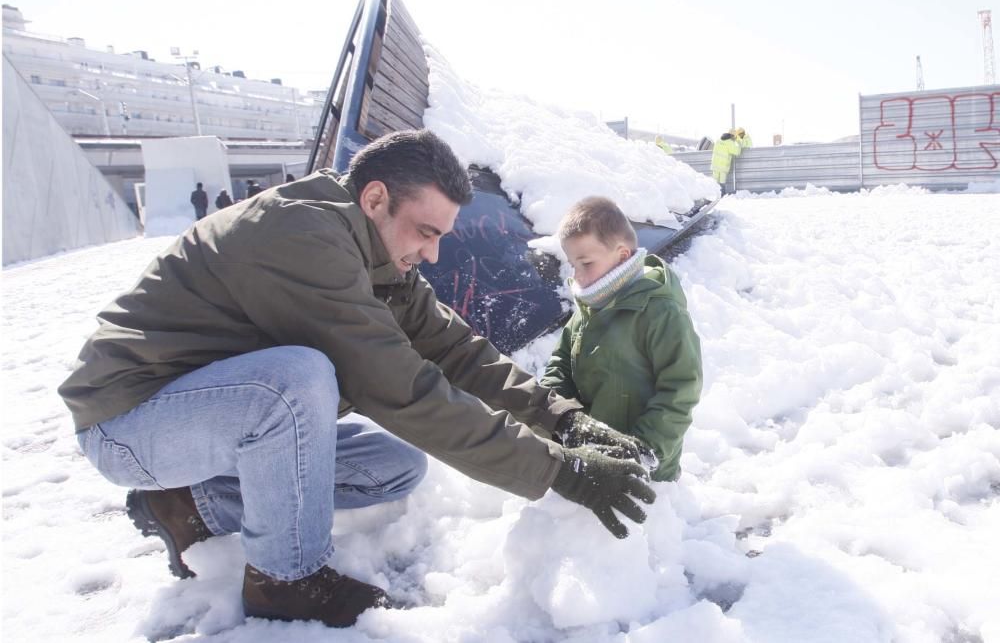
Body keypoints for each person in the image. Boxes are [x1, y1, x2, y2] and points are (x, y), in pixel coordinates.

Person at [59, 130, 656, 629]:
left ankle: (192, 503)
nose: (433, 255)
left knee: (395, 465)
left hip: (208, 417)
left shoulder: (373, 252)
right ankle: (283, 582)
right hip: (130, 420)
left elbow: (456, 352)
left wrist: (564, 420)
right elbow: (402, 387)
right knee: (299, 380)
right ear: (375, 199)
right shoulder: (301, 238)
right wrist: (560, 471)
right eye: (426, 232)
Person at [541, 197, 702, 483]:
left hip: (645, 471)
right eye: (572, 264)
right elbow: (561, 363)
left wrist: (643, 450)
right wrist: (555, 413)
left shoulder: (660, 312)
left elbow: (681, 388)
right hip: (590, 455)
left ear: (622, 255)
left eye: (585, 263)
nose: (576, 275)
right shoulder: (590, 305)